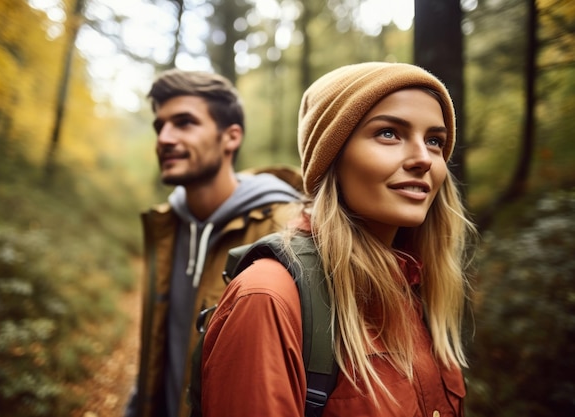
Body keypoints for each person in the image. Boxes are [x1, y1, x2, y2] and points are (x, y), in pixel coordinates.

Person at [199, 62, 478, 416]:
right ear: (331, 156)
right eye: (389, 133)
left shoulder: (415, 288)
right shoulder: (269, 297)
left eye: (435, 141)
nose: (424, 159)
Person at [126, 69, 303, 417]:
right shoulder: (165, 225)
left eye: (184, 122)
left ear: (230, 137)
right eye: (159, 126)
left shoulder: (284, 231)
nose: (164, 137)